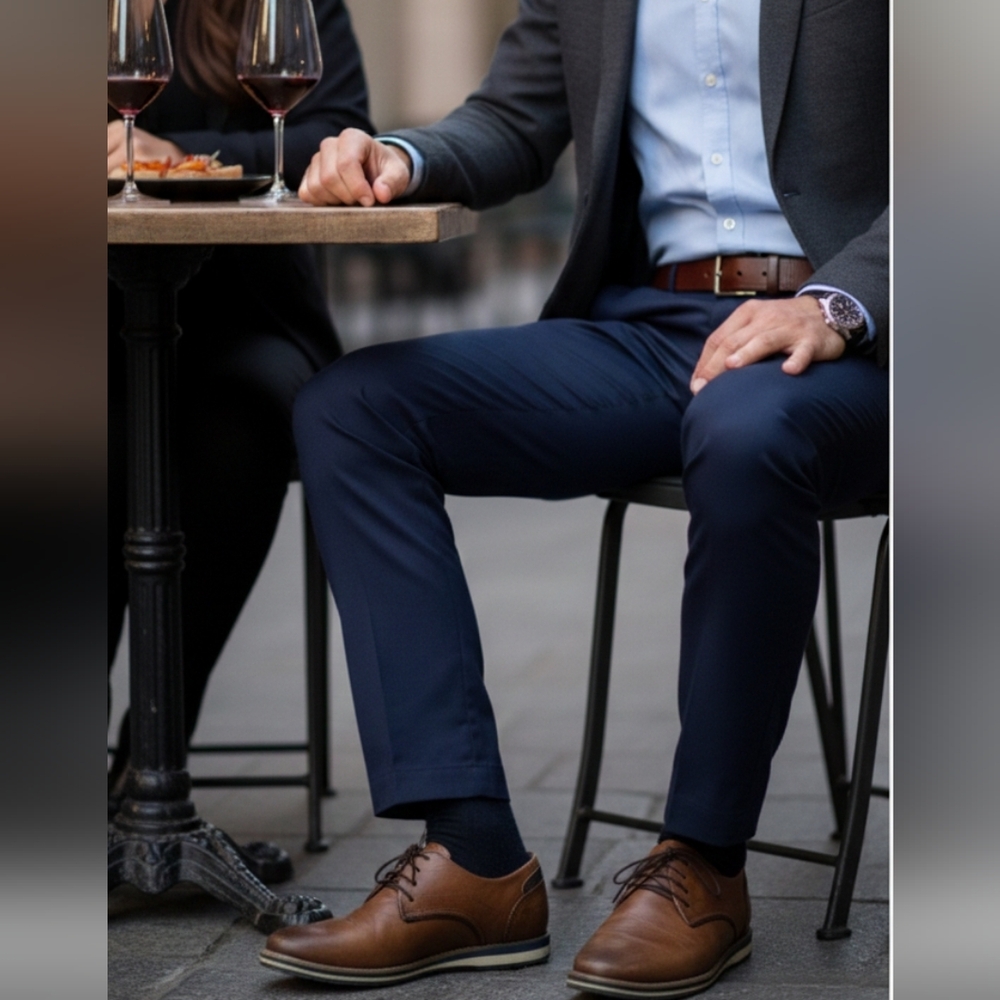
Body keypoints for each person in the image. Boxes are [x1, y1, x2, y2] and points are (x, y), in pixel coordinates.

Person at [261, 1, 888, 996]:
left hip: (863, 336)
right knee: (353, 409)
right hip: (654, 326)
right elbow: (512, 119)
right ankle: (473, 856)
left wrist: (839, 303)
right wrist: (400, 157)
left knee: (744, 430)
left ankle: (702, 862)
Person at [107, 0, 372, 803]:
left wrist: (173, 153)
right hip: (78, 314)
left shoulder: (283, 5)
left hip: (250, 314)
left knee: (241, 424)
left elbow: (337, 137)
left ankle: (149, 763)